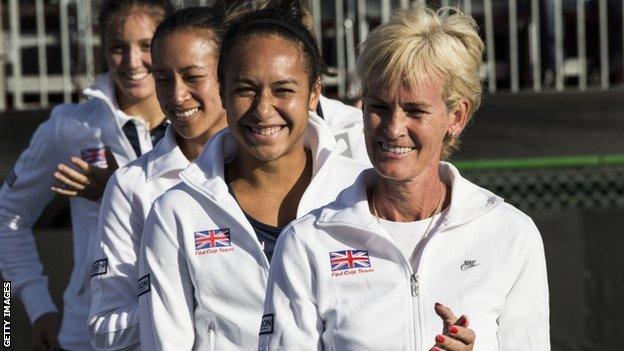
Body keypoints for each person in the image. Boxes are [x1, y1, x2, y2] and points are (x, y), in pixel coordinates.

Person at [261, 4, 550, 351]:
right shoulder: (307, 242)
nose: (394, 129)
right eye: (379, 107)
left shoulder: (511, 235)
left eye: (414, 110)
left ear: (456, 116)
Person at [137, 3, 369, 350]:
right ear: (222, 91)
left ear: (315, 91)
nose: (263, 110)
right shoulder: (176, 212)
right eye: (246, 89)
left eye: (284, 90)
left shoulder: (364, 194)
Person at [0, 1, 174, 350]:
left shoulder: (205, 124)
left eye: (145, 46)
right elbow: (8, 217)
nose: (131, 61)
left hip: (183, 323)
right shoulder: (70, 126)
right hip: (89, 331)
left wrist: (114, 192)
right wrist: (37, 306)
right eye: (117, 48)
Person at [87, 6, 229, 351]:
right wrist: (184, 299)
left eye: (193, 77)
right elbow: (104, 330)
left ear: (230, 74)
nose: (177, 96)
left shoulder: (285, 164)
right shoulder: (131, 185)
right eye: (163, 79)